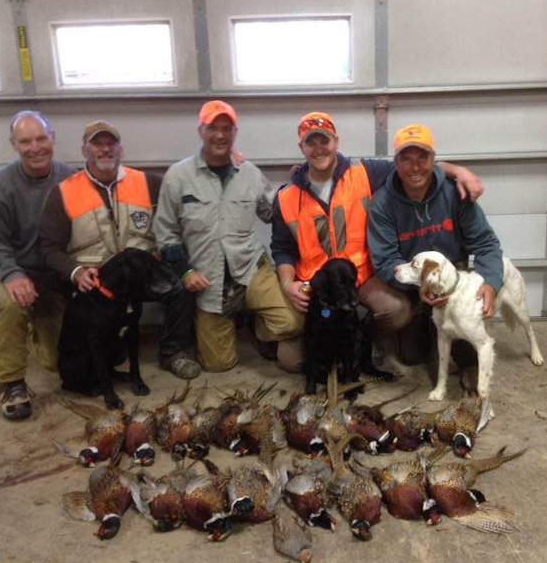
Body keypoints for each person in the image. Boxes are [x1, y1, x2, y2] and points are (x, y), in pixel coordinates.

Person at [271, 112, 485, 369]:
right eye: (311, 142)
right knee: (292, 361)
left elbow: (415, 167)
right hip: (316, 283)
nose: (319, 149)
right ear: (301, 147)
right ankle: (275, 339)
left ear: (336, 142)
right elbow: (282, 249)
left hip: (361, 276)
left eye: (324, 141)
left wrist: (457, 170)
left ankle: (362, 337)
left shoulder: (365, 172)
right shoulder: (286, 196)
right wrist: (287, 285)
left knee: (398, 310)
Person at [38, 120, 198, 380]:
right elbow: (48, 247)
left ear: (121, 150)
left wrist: (228, 162)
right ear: (84, 151)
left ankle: (175, 352)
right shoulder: (64, 193)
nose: (105, 149)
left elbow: (186, 189)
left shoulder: (148, 183)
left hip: (142, 275)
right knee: (100, 355)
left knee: (180, 286)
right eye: (97, 144)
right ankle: (110, 350)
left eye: (111, 143)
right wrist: (76, 272)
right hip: (97, 282)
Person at [154, 100, 302, 372]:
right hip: (208, 280)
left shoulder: (249, 173)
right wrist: (185, 272)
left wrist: (298, 183)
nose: (220, 135)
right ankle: (232, 323)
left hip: (250, 268)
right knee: (219, 365)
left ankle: (260, 326)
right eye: (213, 128)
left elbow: (272, 211)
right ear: (201, 131)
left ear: (235, 133)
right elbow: (165, 233)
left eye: (227, 128)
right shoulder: (178, 176)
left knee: (292, 322)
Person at [367, 123, 504, 362]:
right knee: (412, 357)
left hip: (455, 283)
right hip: (414, 286)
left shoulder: (455, 193)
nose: (416, 167)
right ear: (396, 163)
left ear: (433, 159)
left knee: (468, 354)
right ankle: (420, 323)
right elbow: (386, 260)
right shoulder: (382, 204)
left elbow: (486, 244)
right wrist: (421, 288)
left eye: (423, 157)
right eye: (406, 159)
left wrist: (490, 283)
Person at [0, 110, 74, 420]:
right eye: (26, 141)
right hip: (11, 268)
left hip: (52, 272)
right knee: (11, 305)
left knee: (56, 362)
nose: (35, 148)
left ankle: (41, 334)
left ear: (53, 138)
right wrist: (12, 275)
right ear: (13, 145)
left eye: (41, 139)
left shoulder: (71, 179)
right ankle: (11, 383)